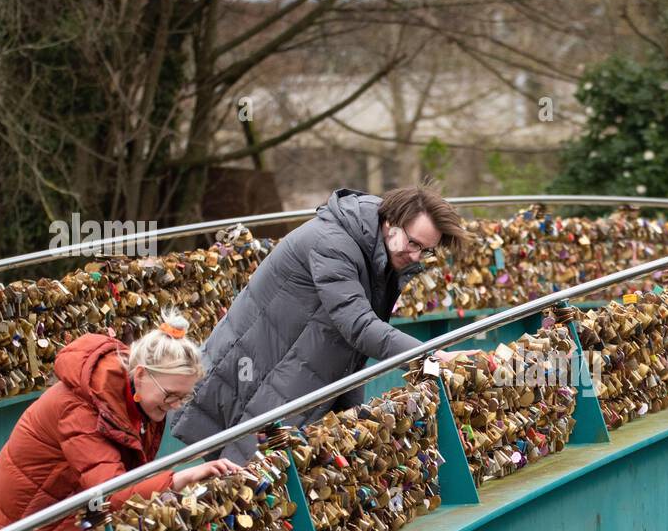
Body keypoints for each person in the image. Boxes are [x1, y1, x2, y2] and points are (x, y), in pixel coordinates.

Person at [171, 182, 471, 463]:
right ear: (390, 221)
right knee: (241, 483)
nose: (415, 255)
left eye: (426, 250)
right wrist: (433, 359)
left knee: (251, 480)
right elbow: (359, 325)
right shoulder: (333, 244)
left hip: (284, 376)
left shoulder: (375, 250)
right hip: (252, 377)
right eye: (413, 242)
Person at [0, 312, 241, 531]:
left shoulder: (140, 400)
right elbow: (109, 491)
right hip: (23, 525)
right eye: (170, 395)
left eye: (184, 397)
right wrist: (182, 476)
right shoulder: (83, 410)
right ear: (142, 374)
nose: (175, 405)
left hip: (61, 507)